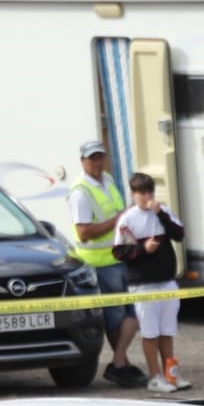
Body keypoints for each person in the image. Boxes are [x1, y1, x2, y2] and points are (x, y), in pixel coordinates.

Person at [68, 140, 146, 389]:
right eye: (92, 158)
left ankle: (119, 362)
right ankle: (120, 365)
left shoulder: (108, 181)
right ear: (83, 161)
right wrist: (119, 219)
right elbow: (84, 233)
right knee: (118, 316)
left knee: (132, 313)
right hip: (100, 262)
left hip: (120, 257)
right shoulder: (81, 192)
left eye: (100, 157)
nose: (97, 162)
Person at [114, 173, 188, 393]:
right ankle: (155, 377)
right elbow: (120, 251)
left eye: (149, 192)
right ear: (134, 194)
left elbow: (179, 234)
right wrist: (142, 250)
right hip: (143, 284)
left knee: (167, 331)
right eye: (141, 192)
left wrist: (161, 215)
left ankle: (170, 374)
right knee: (150, 332)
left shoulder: (163, 212)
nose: (146, 197)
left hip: (167, 281)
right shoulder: (128, 219)